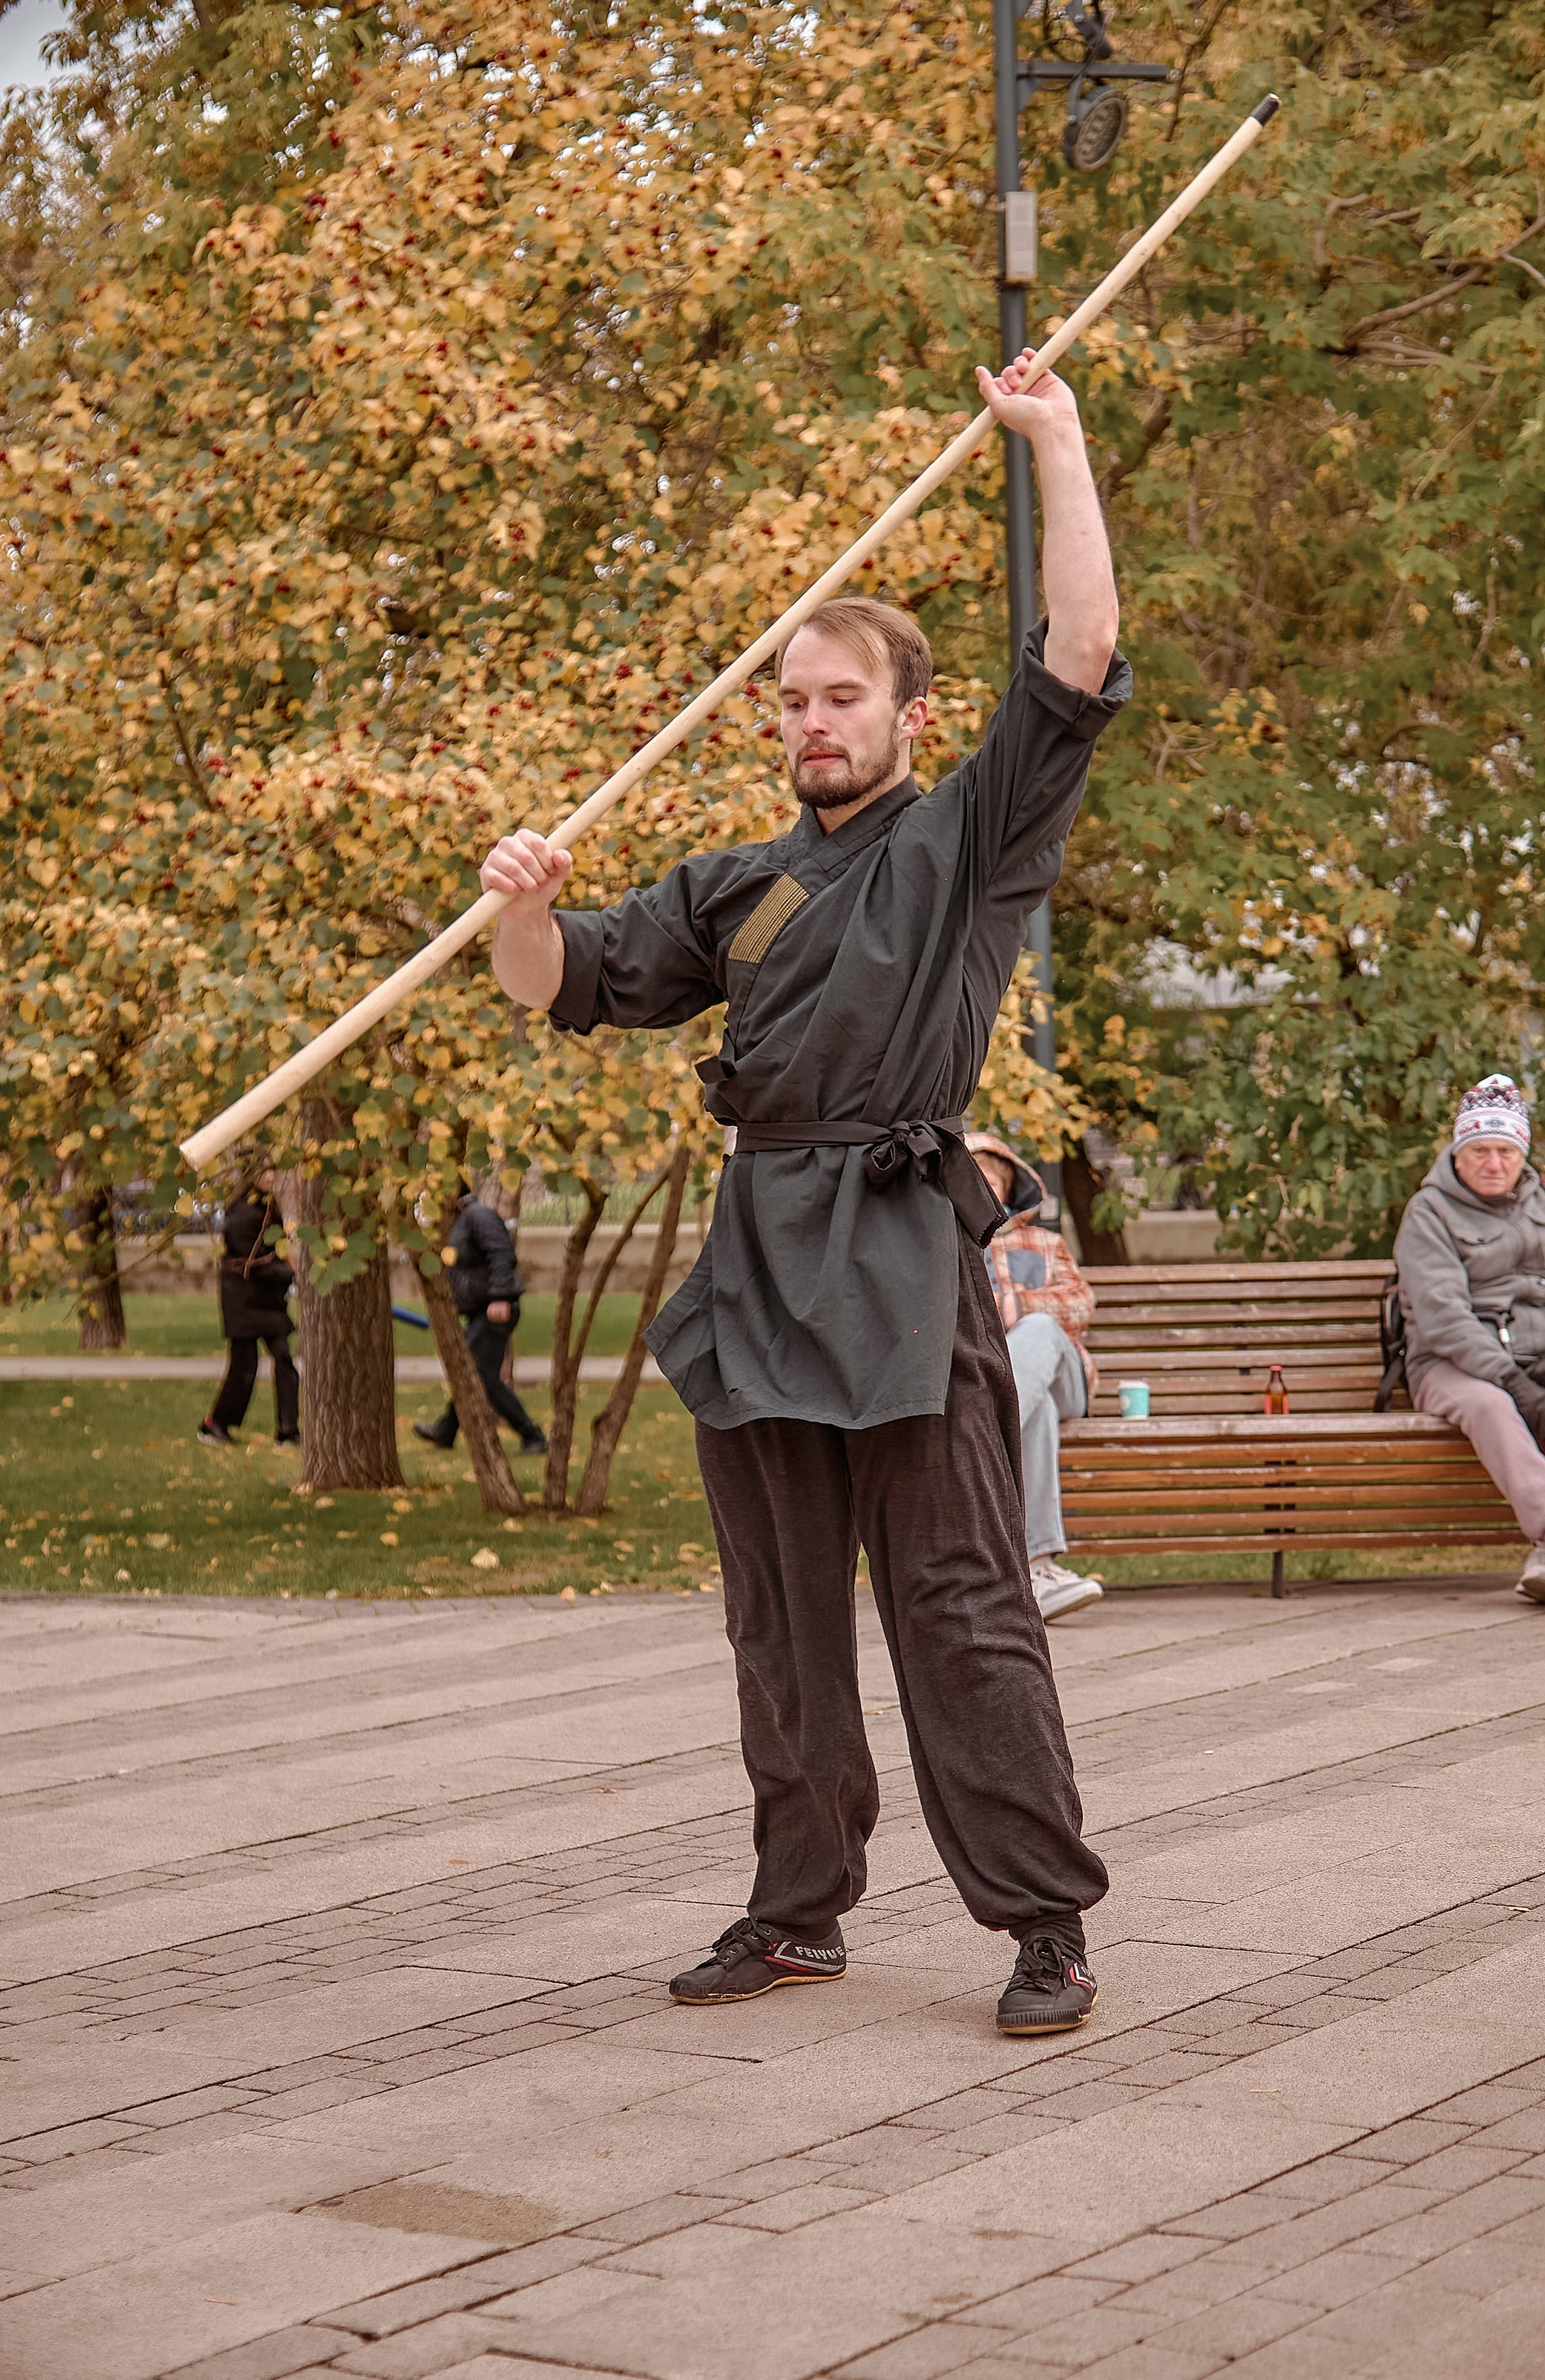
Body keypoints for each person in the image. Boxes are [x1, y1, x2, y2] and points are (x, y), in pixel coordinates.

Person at [481, 347, 1125, 2037]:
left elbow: (1077, 651)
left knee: (962, 1611)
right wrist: (522, 905)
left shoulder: (967, 842)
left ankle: (1043, 1923)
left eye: (841, 697)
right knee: (776, 1624)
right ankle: (797, 1910)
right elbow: (561, 984)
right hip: (761, 1267)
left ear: (910, 717)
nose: (810, 723)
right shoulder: (738, 885)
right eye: (789, 699)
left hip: (902, 1264)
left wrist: (1053, 440)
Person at [1395, 1072, 1545, 1607]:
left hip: (1542, 1359)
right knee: (1493, 1406)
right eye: (1480, 1150)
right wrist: (1506, 1376)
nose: (1494, 1163)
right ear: (1459, 1153)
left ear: (1523, 1155)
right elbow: (1442, 1317)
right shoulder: (1428, 1212)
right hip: (1452, 1367)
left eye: (1506, 1151)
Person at [966, 1132, 1104, 1620]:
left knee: (1041, 1327)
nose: (982, 1187)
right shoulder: (946, 1247)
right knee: (1036, 1409)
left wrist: (1017, 1305)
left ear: (1007, 1189)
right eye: (971, 1178)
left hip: (1065, 1378)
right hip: (1009, 1390)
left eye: (991, 1179)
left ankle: (982, 1439)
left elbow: (1080, 1305)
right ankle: (1038, 1572)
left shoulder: (1044, 1243)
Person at [413, 1187, 549, 1457]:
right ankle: (446, 1430)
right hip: (481, 1311)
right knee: (471, 1371)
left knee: (480, 1375)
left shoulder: (479, 1216)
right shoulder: (461, 1222)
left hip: (495, 1309)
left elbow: (502, 1254)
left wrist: (500, 1297)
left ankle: (532, 1435)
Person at [199, 1172, 299, 1448]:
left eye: (273, 1169)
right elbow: (252, 1263)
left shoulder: (265, 1207)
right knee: (244, 1368)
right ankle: (216, 1424)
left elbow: (273, 1253)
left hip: (267, 1303)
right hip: (244, 1303)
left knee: (284, 1362)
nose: (271, 1176)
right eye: (264, 1171)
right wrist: (291, 1275)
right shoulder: (243, 1214)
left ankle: (289, 1429)